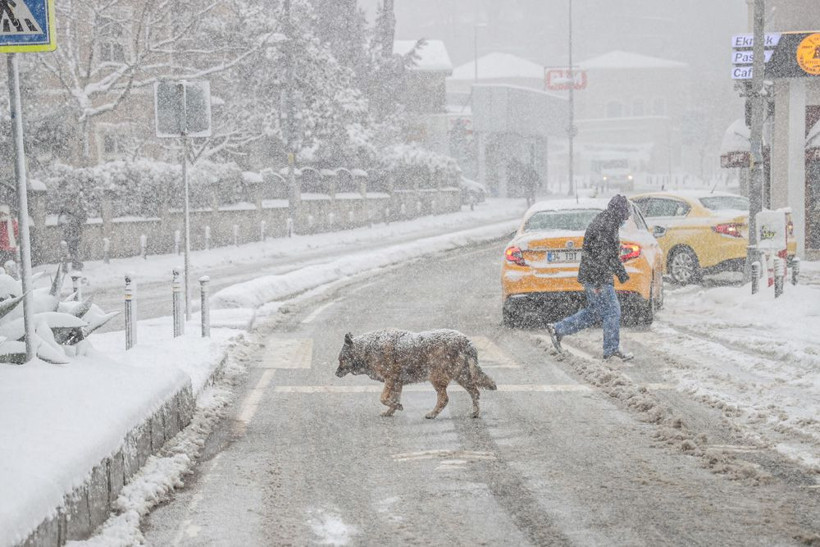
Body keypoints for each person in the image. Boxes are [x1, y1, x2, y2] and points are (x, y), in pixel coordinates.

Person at [546, 194, 634, 361]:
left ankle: (558, 329)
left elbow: (607, 254)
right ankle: (611, 350)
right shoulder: (605, 226)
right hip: (597, 277)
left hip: (594, 275)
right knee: (612, 311)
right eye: (626, 213)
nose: (627, 217)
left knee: (595, 312)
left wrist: (620, 274)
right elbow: (604, 256)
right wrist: (601, 281)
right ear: (620, 212)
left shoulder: (607, 222)